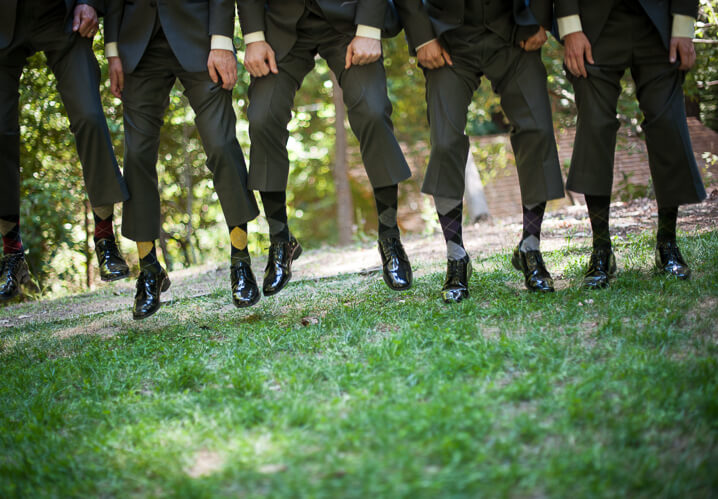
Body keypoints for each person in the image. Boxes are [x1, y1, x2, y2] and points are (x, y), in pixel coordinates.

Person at [238, 0, 414, 296]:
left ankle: (389, 235)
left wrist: (369, 28)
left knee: (372, 110)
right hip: (280, 25)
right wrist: (254, 37)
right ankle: (281, 240)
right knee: (263, 118)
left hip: (349, 20)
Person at [395, 0, 565, 302]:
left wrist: (539, 19)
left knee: (537, 130)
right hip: (448, 39)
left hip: (514, 33)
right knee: (445, 142)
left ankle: (530, 246)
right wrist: (422, 36)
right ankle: (456, 256)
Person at [104, 0, 261, 319]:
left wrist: (221, 39)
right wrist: (112, 49)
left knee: (220, 143)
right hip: (138, 43)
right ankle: (149, 269)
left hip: (200, 36)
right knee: (136, 156)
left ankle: (241, 259)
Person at [0, 0, 131, 305]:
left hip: (61, 14)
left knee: (89, 116)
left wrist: (91, 2)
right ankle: (12, 257)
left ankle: (105, 237)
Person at [555, 0, 706, 288]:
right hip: (593, 23)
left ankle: (667, 245)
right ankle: (601, 250)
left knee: (668, 125)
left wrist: (684, 25)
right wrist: (570, 26)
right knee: (595, 126)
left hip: (659, 22)